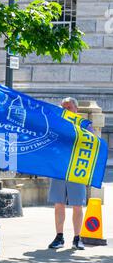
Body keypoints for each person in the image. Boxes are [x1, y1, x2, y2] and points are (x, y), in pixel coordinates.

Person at [48, 97, 92, 251]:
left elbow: (91, 145)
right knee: (58, 204)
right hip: (59, 168)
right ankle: (59, 237)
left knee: (77, 205)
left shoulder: (84, 125)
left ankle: (77, 238)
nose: (65, 110)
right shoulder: (56, 124)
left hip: (76, 170)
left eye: (68, 107)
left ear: (76, 109)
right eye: (63, 107)